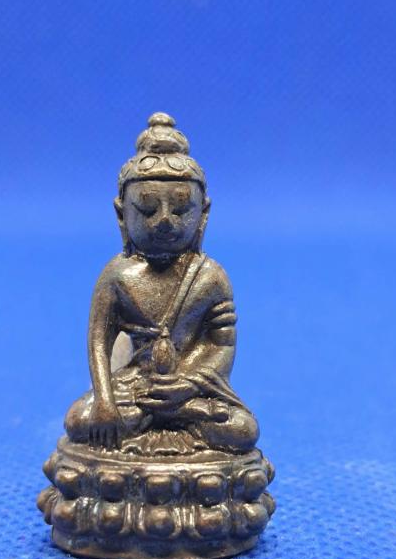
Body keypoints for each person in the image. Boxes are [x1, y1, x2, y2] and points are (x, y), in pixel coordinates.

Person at [65, 113, 259, 455]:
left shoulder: (211, 276)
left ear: (204, 214)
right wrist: (106, 401)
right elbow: (98, 342)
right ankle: (172, 423)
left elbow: (221, 344)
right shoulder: (117, 275)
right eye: (148, 209)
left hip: (189, 389)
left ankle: (178, 418)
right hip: (135, 388)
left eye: (181, 210)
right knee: (79, 421)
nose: (165, 221)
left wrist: (187, 386)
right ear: (121, 214)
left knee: (243, 430)